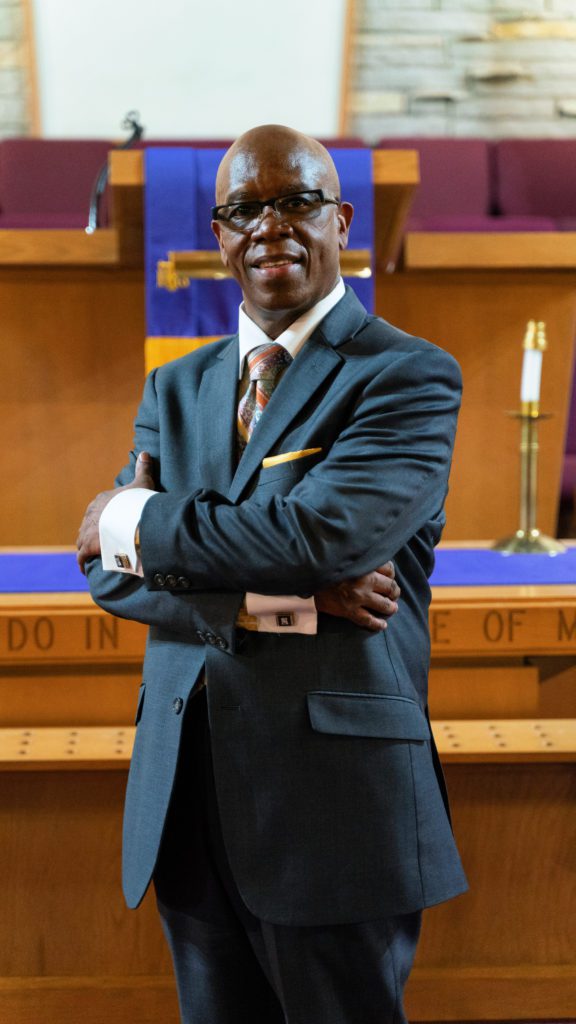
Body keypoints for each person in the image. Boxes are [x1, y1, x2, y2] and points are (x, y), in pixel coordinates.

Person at [77, 124, 467, 1024]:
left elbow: (322, 534)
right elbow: (109, 578)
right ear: (220, 232)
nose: (271, 227)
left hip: (333, 802)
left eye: (296, 202)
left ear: (342, 217)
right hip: (189, 796)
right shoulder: (175, 389)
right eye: (246, 209)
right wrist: (285, 596)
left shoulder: (405, 374)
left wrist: (134, 515)